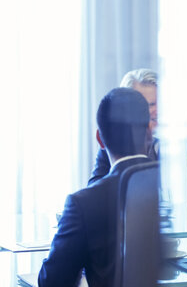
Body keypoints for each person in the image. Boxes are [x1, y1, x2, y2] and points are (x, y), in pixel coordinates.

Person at [39, 88, 154, 287]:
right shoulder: (172, 188)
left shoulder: (82, 204)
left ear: (100, 139)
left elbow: (53, 281)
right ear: (149, 132)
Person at [88, 68, 158, 185]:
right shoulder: (115, 145)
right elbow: (95, 190)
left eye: (158, 102)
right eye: (146, 105)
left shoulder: (179, 142)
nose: (157, 110)